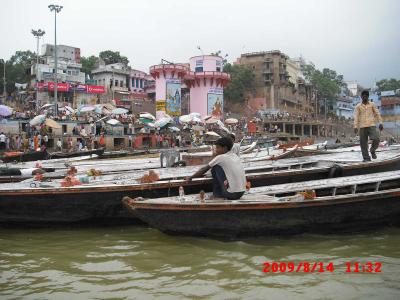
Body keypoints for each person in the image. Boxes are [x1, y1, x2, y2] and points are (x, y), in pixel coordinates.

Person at [354, 90, 383, 161]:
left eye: (366, 96)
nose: (364, 97)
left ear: (368, 96)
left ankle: (372, 150)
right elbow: (356, 117)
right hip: (362, 126)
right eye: (363, 96)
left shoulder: (372, 104)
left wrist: (380, 123)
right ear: (361, 97)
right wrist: (355, 126)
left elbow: (377, 113)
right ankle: (366, 158)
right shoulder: (358, 106)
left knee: (376, 138)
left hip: (371, 125)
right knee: (363, 143)